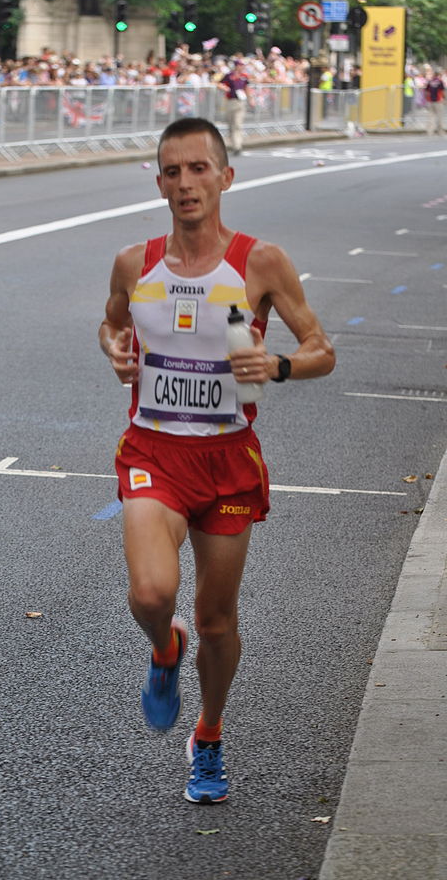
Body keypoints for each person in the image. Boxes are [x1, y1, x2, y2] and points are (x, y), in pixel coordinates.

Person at [99, 117, 335, 804]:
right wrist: (114, 346)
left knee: (217, 620)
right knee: (149, 593)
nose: (185, 183)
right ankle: (162, 648)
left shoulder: (260, 262)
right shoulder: (133, 262)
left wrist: (281, 363)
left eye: (199, 168)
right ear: (160, 182)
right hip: (155, 450)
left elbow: (322, 347)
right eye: (172, 171)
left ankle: (208, 734)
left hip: (228, 459)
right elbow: (112, 321)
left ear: (225, 177)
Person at [217, 59, 249, 155]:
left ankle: (237, 146)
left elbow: (247, 87)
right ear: (236, 66)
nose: (242, 67)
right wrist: (224, 88)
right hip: (231, 101)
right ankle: (234, 144)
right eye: (240, 65)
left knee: (238, 124)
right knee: (231, 124)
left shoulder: (244, 76)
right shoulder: (229, 75)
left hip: (241, 102)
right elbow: (219, 83)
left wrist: (250, 99)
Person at [424, 70, 445, 136]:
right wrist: (445, 99)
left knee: (430, 117)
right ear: (438, 75)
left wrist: (426, 99)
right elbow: (443, 91)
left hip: (430, 101)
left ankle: (429, 132)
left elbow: (426, 92)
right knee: (439, 117)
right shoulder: (440, 82)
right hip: (438, 101)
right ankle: (440, 131)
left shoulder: (429, 82)